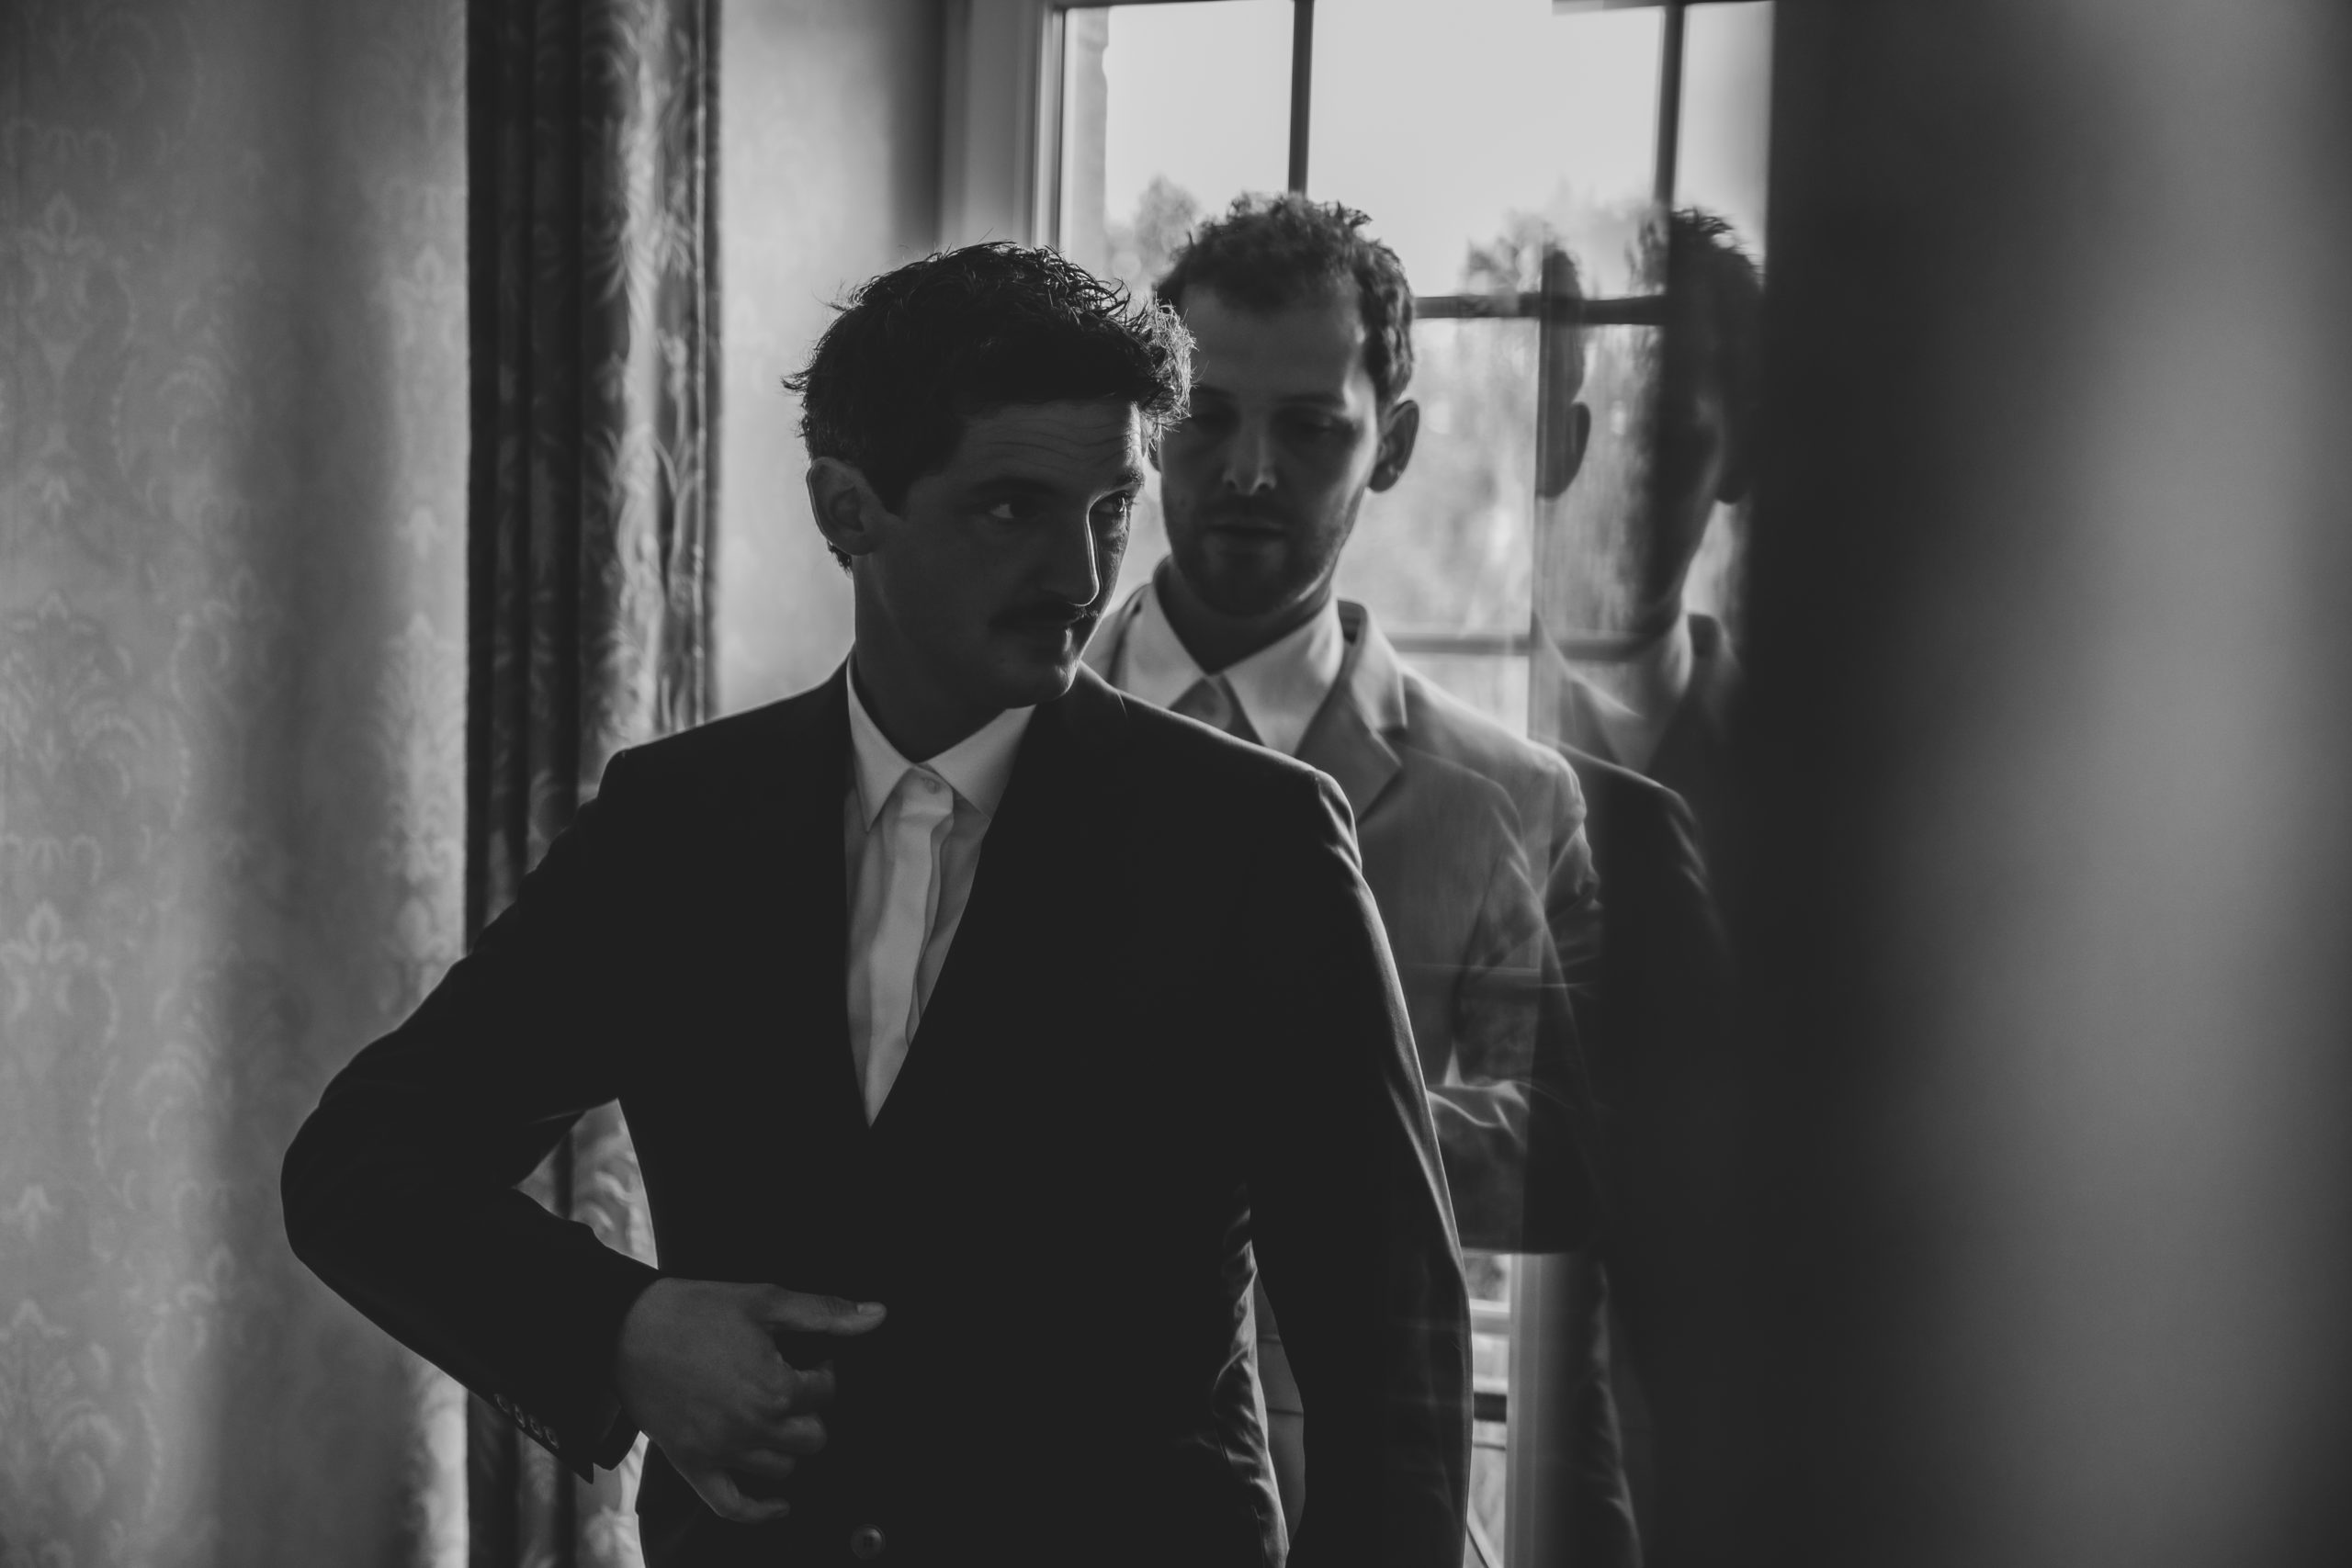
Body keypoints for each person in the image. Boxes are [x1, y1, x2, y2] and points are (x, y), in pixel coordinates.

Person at [280, 243, 1473, 1568]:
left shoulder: (1256, 845)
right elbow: (360, 1166)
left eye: (1110, 508)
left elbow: (1395, 1376)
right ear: (847, 508)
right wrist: (624, 1328)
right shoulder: (675, 827)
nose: (1082, 576)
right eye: (1013, 508)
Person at [1081, 194, 1606, 1543]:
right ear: (1147, 422)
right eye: (1205, 417)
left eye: (1311, 428)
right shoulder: (996, 740)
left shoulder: (1507, 802)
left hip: (1354, 1511)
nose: (1250, 470)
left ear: (1395, 445)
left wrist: (1291, 1121)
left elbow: (1571, 1154)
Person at [1545, 209, 1763, 872]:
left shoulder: (1793, 765)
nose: (1622, 476)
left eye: (1665, 437)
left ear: (1738, 459)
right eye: (1588, 428)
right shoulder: (1445, 706)